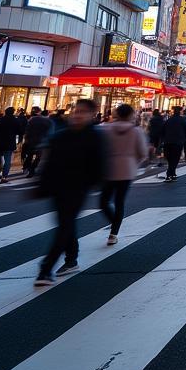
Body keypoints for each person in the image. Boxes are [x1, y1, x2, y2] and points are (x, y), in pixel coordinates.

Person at [34, 99, 105, 286]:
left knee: (64, 226)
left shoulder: (95, 137)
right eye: (76, 111)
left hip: (78, 188)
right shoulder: (60, 135)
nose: (77, 114)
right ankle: (71, 259)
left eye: (83, 112)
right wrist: (41, 186)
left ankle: (46, 268)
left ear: (92, 115)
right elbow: (48, 163)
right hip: (57, 188)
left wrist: (93, 183)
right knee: (66, 224)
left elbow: (99, 165)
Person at [98, 103, 148, 244]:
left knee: (103, 201)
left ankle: (113, 221)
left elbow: (100, 149)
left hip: (109, 169)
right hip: (127, 171)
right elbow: (142, 153)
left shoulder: (106, 128)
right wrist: (133, 163)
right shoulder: (136, 131)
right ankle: (114, 233)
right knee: (119, 201)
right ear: (131, 115)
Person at [0, 106, 19, 182]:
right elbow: (19, 131)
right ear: (13, 112)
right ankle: (4, 176)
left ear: (5, 112)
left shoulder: (0, 120)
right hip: (10, 143)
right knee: (7, 160)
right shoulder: (15, 121)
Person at [21, 109, 52, 178]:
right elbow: (49, 133)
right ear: (47, 114)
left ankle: (26, 168)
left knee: (30, 155)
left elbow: (27, 130)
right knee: (38, 157)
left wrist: (26, 139)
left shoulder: (33, 119)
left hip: (31, 141)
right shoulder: (48, 121)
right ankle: (32, 170)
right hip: (41, 142)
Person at [161, 107, 186, 180]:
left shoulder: (168, 120)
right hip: (178, 141)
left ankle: (171, 172)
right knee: (175, 157)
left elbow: (163, 130)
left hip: (168, 141)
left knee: (169, 157)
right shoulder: (182, 120)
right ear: (180, 112)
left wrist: (163, 139)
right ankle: (171, 172)